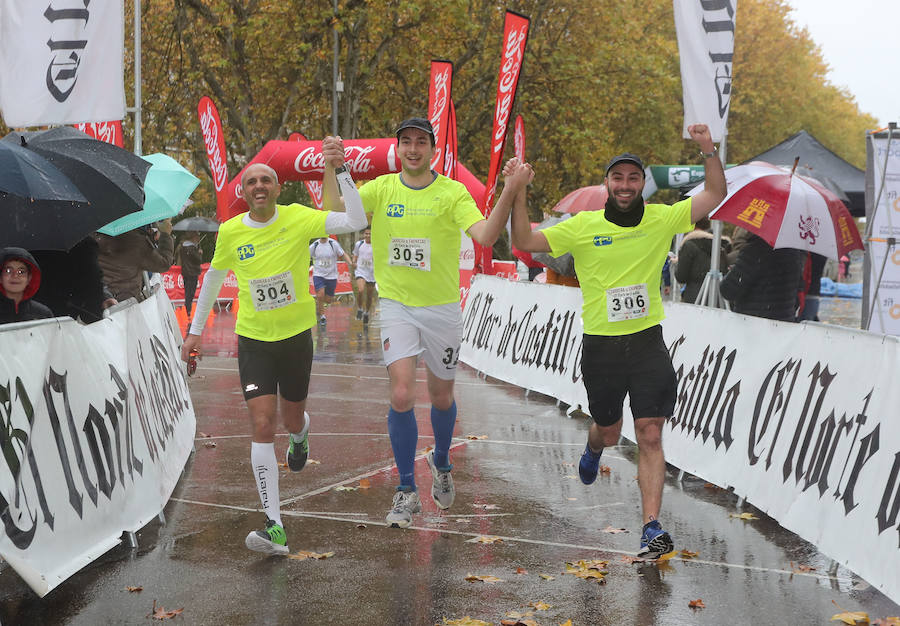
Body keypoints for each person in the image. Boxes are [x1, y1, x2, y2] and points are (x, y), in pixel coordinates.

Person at [509, 124, 727, 559]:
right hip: (602, 347)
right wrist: (517, 191)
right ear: (607, 183)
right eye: (618, 178)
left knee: (649, 433)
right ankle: (593, 446)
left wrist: (708, 149)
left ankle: (651, 527)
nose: (625, 185)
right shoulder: (582, 226)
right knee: (609, 432)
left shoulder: (662, 217)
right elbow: (523, 240)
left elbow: (715, 193)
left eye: (632, 178)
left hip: (647, 342)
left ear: (642, 183)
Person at [180, 137, 366, 555]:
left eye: (267, 180)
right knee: (262, 424)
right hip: (254, 342)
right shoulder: (230, 232)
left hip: (297, 337)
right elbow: (212, 279)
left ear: (278, 189)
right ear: (243, 193)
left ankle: (301, 436)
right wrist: (194, 331)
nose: (259, 187)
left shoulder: (299, 218)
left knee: (290, 418)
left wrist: (340, 168)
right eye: (252, 183)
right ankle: (274, 526)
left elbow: (354, 219)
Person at [358, 117, 529, 528]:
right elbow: (336, 214)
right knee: (401, 395)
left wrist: (509, 190)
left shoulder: (452, 192)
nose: (413, 149)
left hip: (442, 309)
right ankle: (405, 490)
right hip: (397, 305)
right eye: (406, 142)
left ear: (432, 150)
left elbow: (486, 236)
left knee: (441, 397)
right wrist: (332, 169)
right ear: (397, 149)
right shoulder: (381, 188)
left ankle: (441, 459)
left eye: (421, 143)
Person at [719, 233, 806, 322]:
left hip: (752, 325)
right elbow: (797, 294)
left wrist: (732, 272)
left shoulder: (754, 251)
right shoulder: (795, 253)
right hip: (783, 324)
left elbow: (728, 290)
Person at [94, 219, 175, 302]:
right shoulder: (135, 242)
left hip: (95, 301)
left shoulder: (91, 237)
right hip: (125, 305)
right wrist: (165, 235)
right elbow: (164, 264)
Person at [674, 217, 729, 304]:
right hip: (719, 299)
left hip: (694, 299)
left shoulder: (689, 245)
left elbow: (681, 277)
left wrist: (677, 263)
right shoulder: (720, 245)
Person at [0, 248, 53, 324]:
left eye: (21, 272)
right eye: (8, 271)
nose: (15, 276)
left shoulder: (43, 314)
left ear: (29, 278)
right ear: (0, 278)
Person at [310, 235, 352, 326]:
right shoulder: (315, 245)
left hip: (331, 275)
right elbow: (305, 256)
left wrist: (350, 263)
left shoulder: (333, 243)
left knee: (328, 300)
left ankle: (321, 306)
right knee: (320, 295)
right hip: (318, 274)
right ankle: (322, 316)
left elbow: (343, 254)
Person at [351, 225, 376, 324]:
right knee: (361, 290)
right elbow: (355, 255)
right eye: (366, 233)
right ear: (364, 234)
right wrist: (353, 262)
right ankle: (360, 309)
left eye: (370, 234)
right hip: (360, 270)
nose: (368, 235)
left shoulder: (376, 245)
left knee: (369, 295)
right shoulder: (359, 244)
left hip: (371, 272)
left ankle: (366, 312)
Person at [179, 231, 203, 317]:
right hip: (192, 272)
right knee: (190, 292)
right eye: (197, 237)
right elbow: (198, 260)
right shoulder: (192, 249)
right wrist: (199, 253)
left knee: (187, 291)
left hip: (185, 272)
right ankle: (188, 310)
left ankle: (187, 308)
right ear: (193, 238)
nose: (198, 239)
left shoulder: (183, 247)